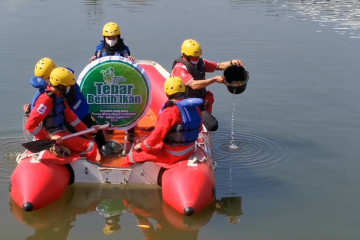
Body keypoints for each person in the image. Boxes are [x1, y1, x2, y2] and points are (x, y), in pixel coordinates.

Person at [24, 57, 106, 148]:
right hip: (60, 126)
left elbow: (67, 113)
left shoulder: (63, 89)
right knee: (89, 143)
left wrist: (86, 130)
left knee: (96, 137)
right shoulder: (51, 95)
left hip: (76, 117)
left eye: (47, 79)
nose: (47, 82)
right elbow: (42, 110)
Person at [121, 76, 203, 167]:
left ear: (167, 94)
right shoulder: (195, 108)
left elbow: (156, 137)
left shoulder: (170, 112)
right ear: (185, 91)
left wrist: (142, 146)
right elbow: (199, 129)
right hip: (189, 150)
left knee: (132, 156)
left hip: (171, 155)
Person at [171, 39, 244, 131]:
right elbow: (193, 85)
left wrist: (231, 62)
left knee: (212, 125)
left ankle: (200, 120)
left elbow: (219, 66)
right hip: (185, 102)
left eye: (198, 56)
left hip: (198, 101)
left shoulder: (201, 63)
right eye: (194, 57)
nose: (196, 59)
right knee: (211, 125)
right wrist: (214, 79)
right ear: (186, 56)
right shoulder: (180, 68)